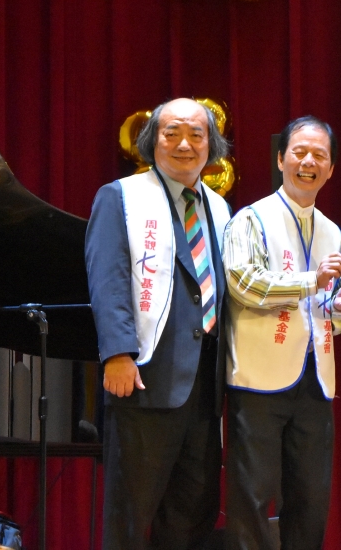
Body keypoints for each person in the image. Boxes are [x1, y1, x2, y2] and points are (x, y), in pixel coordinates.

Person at [85, 98, 232, 550]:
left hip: (206, 389)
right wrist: (117, 353)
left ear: (212, 145)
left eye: (196, 134)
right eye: (171, 133)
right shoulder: (121, 196)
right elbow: (107, 278)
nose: (184, 144)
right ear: (152, 141)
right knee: (130, 516)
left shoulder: (220, 208)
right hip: (144, 379)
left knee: (191, 515)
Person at [222, 116, 341, 550]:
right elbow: (243, 283)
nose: (308, 162)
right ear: (281, 158)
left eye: (319, 155)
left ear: (331, 169)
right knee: (250, 499)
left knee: (310, 500)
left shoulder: (333, 231)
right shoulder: (251, 219)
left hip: (315, 384)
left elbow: (330, 312)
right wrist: (312, 280)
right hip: (258, 381)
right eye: (299, 152)